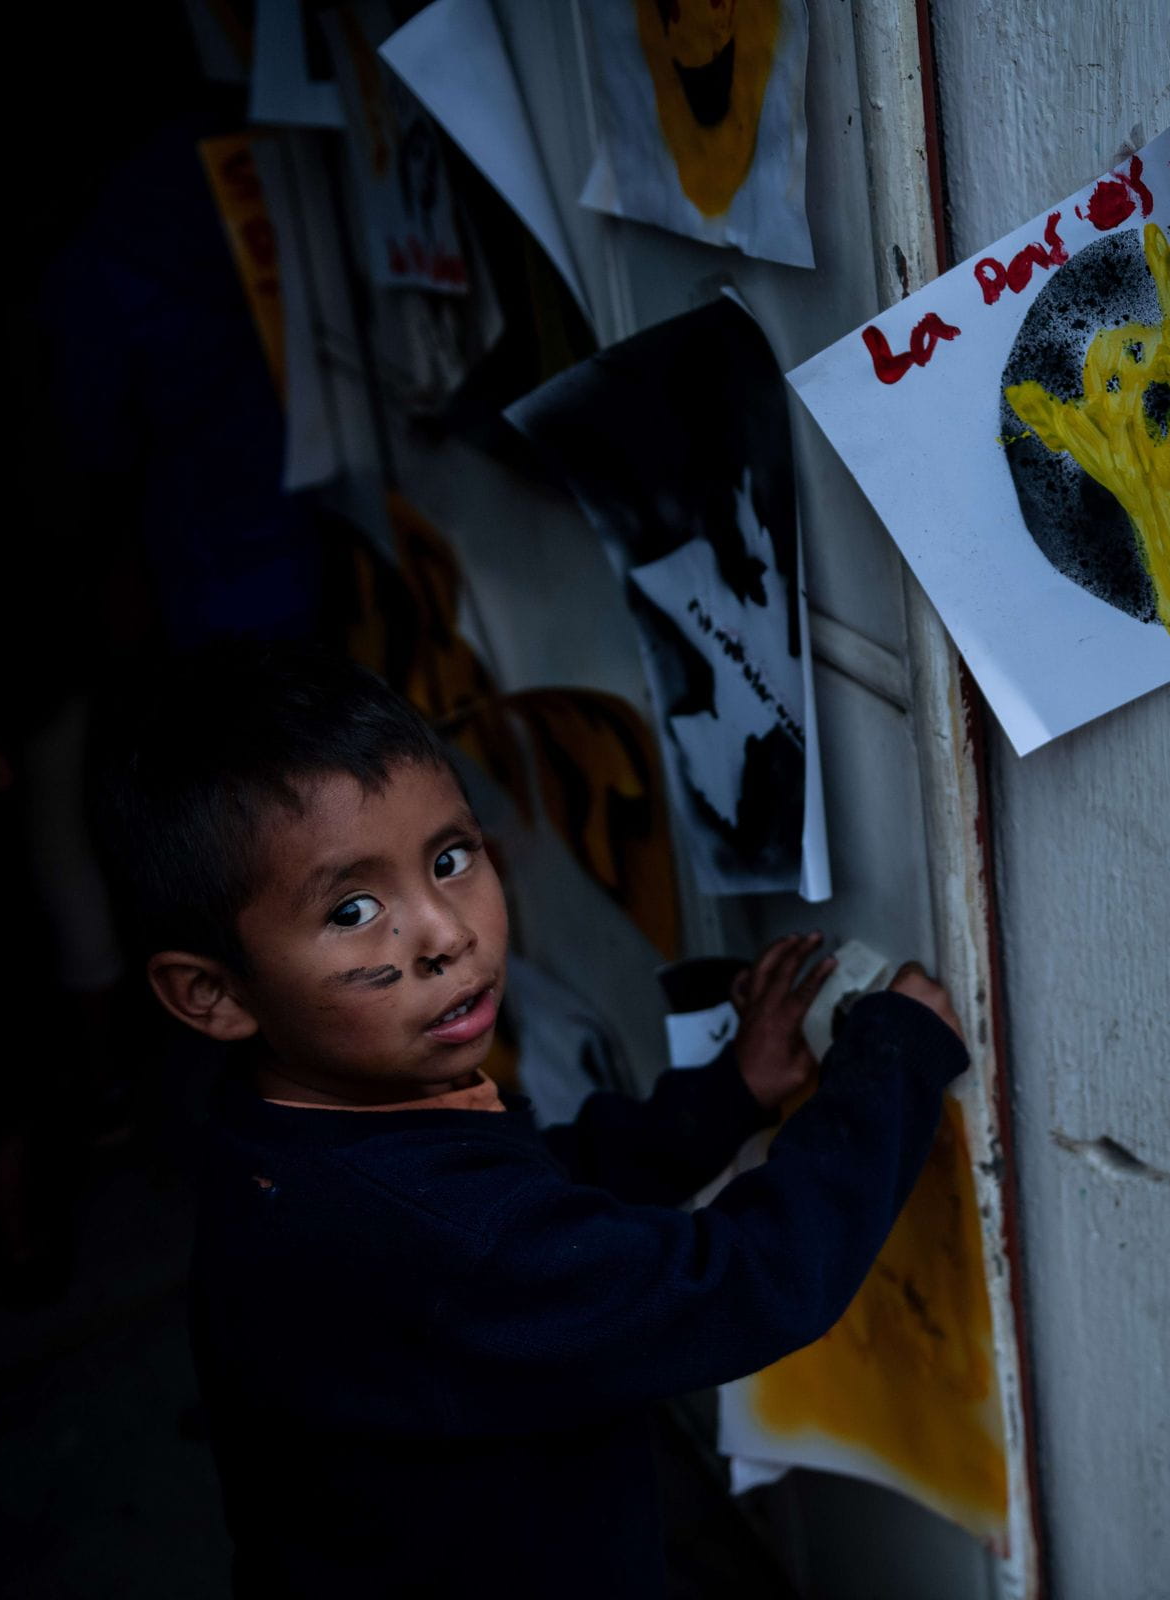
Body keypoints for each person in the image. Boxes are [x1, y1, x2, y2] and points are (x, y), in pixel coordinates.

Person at [92, 643, 967, 1596]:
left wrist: (725, 1096)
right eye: (352, 909)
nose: (445, 932)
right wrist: (893, 1060)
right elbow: (741, 1286)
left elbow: (539, 1189)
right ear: (212, 994)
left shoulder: (293, 1126)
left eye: (451, 858)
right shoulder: (430, 1234)